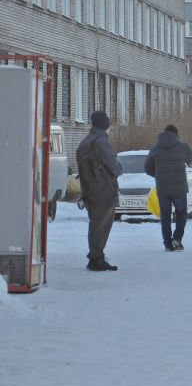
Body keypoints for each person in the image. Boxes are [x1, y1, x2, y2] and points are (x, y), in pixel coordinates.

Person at [76, 111, 123, 271]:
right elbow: (114, 168)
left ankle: (96, 256)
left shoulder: (85, 142)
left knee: (95, 225)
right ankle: (96, 258)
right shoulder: (102, 142)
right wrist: (119, 167)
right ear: (105, 125)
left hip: (89, 191)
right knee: (101, 226)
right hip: (104, 191)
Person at [145, 124, 192, 252]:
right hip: (179, 188)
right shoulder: (183, 147)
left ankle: (167, 243)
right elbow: (190, 159)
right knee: (181, 213)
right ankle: (177, 239)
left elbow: (147, 168)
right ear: (176, 134)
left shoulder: (155, 148)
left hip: (163, 188)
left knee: (165, 215)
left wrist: (158, 175)